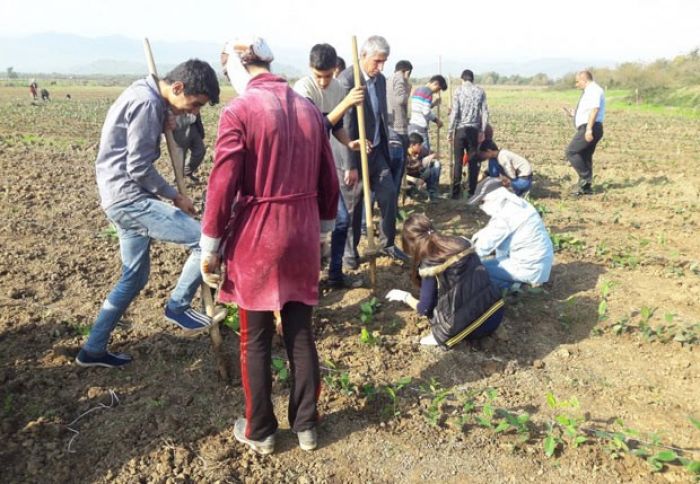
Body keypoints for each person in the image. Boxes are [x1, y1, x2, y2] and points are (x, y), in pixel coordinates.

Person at [201, 38, 339, 454]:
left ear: (237, 69)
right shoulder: (309, 110)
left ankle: (260, 429)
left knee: (255, 337)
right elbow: (327, 177)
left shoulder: (240, 111)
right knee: (300, 332)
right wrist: (324, 230)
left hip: (259, 234)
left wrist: (210, 244)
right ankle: (307, 425)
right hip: (301, 230)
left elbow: (223, 184)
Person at [76, 59, 221, 369]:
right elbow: (138, 167)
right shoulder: (146, 102)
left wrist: (163, 121)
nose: (194, 112)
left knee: (134, 277)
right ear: (178, 87)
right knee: (203, 240)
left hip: (116, 197)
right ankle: (178, 306)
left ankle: (93, 349)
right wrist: (174, 196)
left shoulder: (148, 95)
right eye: (194, 104)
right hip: (129, 199)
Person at [293, 43, 365, 289]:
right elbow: (316, 126)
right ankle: (304, 283)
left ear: (335, 69)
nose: (323, 82)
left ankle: (335, 274)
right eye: (318, 76)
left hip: (323, 166)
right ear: (310, 69)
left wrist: (350, 143)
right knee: (307, 232)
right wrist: (346, 103)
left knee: (341, 221)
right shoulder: (303, 88)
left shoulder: (335, 88)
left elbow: (335, 127)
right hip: (299, 170)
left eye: (327, 75)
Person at [335, 35, 409, 266]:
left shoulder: (381, 80)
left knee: (388, 194)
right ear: (363, 56)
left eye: (384, 61)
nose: (381, 66)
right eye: (377, 61)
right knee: (354, 206)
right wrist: (350, 164)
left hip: (376, 152)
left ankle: (387, 243)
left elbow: (379, 116)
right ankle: (350, 254)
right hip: (354, 153)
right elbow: (345, 125)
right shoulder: (347, 80)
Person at [385, 213, 505, 347]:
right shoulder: (459, 243)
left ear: (411, 244)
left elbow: (424, 309)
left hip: (472, 328)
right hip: (496, 311)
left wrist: (405, 296)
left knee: (435, 307)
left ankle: (439, 337)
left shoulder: (431, 265)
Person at [467, 178, 554, 291]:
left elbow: (482, 247)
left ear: (493, 198)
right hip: (536, 262)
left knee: (475, 273)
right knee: (483, 264)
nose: (482, 206)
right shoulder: (517, 204)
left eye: (483, 202)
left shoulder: (506, 216)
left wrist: (458, 262)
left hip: (528, 267)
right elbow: (487, 233)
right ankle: (517, 282)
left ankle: (515, 286)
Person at [448, 69, 489, 199]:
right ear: (472, 79)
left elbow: (454, 113)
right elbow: (485, 113)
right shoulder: (480, 91)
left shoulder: (458, 91)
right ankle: (472, 192)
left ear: (462, 79)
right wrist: (482, 130)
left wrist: (450, 130)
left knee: (458, 161)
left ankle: (455, 193)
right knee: (473, 161)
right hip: (473, 130)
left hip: (460, 130)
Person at [565, 70, 605, 195]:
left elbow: (595, 110)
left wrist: (588, 129)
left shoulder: (594, 90)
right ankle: (586, 188)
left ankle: (585, 178)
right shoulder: (589, 91)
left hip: (590, 127)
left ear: (584, 80)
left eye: (577, 82)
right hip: (590, 126)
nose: (576, 84)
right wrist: (574, 114)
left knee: (571, 152)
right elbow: (588, 111)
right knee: (585, 156)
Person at [387, 60, 413, 197]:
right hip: (399, 128)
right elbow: (401, 100)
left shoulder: (388, 79)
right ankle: (392, 207)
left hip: (389, 127)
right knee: (397, 170)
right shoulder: (400, 79)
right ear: (407, 71)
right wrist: (408, 89)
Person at [407, 75, 447, 151]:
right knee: (424, 152)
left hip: (412, 125)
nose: (437, 92)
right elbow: (426, 112)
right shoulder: (428, 92)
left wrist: (434, 103)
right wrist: (437, 120)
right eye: (438, 89)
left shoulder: (418, 90)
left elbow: (421, 108)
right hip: (421, 127)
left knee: (412, 152)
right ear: (435, 84)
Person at [405, 132, 441, 201]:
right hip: (408, 179)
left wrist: (431, 157)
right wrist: (415, 180)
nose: (421, 147)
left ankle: (432, 193)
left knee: (436, 164)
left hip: (419, 174)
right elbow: (401, 176)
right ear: (412, 145)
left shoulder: (421, 151)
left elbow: (435, 154)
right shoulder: (404, 154)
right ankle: (410, 191)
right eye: (419, 145)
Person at [172, 113, 206, 182]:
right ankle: (178, 179)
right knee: (180, 156)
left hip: (193, 125)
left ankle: (187, 172)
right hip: (179, 127)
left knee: (200, 151)